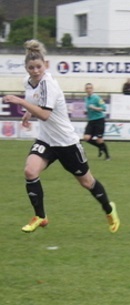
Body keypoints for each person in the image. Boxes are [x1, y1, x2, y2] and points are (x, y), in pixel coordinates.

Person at [2, 39, 120, 234]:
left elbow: (46, 114)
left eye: (39, 66)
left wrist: (19, 102)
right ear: (26, 68)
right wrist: (28, 113)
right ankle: (40, 216)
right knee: (30, 171)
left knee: (87, 182)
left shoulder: (49, 85)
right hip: (46, 140)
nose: (35, 70)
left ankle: (109, 209)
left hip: (66, 142)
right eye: (31, 67)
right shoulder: (28, 82)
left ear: (45, 65)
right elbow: (35, 102)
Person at [83, 83, 110, 160]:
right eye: (87, 88)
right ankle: (100, 147)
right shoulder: (86, 98)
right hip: (91, 121)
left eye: (90, 88)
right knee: (86, 138)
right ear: (85, 90)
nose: (88, 90)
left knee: (99, 139)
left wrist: (95, 108)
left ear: (92, 89)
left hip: (99, 120)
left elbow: (104, 108)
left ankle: (107, 156)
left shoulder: (96, 98)